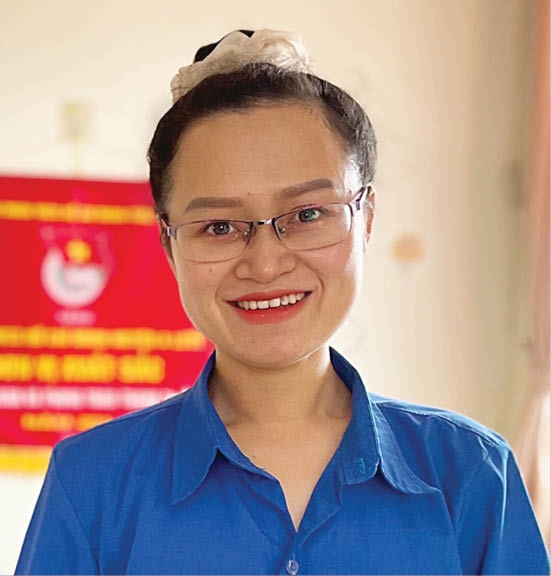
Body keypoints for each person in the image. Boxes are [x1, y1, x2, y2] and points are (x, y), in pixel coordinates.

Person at [16, 29, 550, 575]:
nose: (265, 264)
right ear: (168, 245)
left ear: (365, 219)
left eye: (307, 214)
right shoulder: (90, 484)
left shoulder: (472, 474)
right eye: (219, 226)